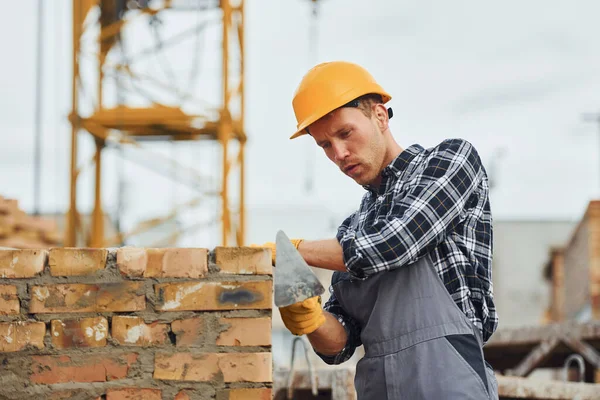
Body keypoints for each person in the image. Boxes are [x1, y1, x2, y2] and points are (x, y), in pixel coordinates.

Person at [260, 61, 499, 399]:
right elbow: (339, 345)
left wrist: (293, 250)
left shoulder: (450, 161)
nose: (339, 154)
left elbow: (393, 242)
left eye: (345, 133)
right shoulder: (354, 226)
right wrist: (311, 320)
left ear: (380, 116)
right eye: (325, 145)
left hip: (447, 382)